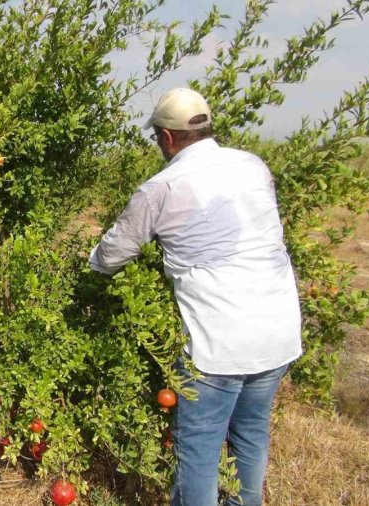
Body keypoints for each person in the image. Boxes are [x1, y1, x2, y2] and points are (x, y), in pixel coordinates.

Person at [88, 88, 302, 506]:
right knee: (252, 434)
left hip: (218, 343)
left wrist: (91, 264)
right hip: (278, 331)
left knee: (200, 451)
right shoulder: (253, 166)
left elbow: (112, 254)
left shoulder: (162, 187)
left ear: (167, 138)